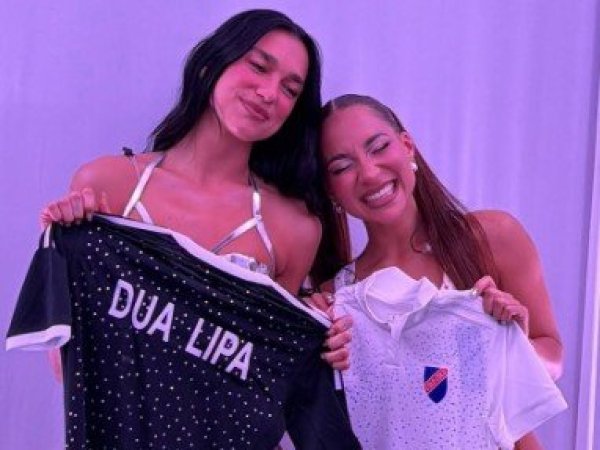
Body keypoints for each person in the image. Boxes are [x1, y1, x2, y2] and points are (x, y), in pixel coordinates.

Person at [10, 9, 357, 449]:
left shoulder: (294, 229)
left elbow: (267, 384)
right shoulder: (108, 185)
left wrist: (320, 339)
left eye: (290, 89)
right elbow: (73, 369)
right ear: (211, 64)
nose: (269, 93)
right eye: (258, 66)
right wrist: (68, 249)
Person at [311, 94, 565, 449]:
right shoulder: (334, 300)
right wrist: (321, 350)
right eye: (342, 167)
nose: (368, 173)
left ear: (407, 146)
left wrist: (512, 345)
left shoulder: (492, 238)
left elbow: (553, 360)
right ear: (330, 189)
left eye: (379, 147)